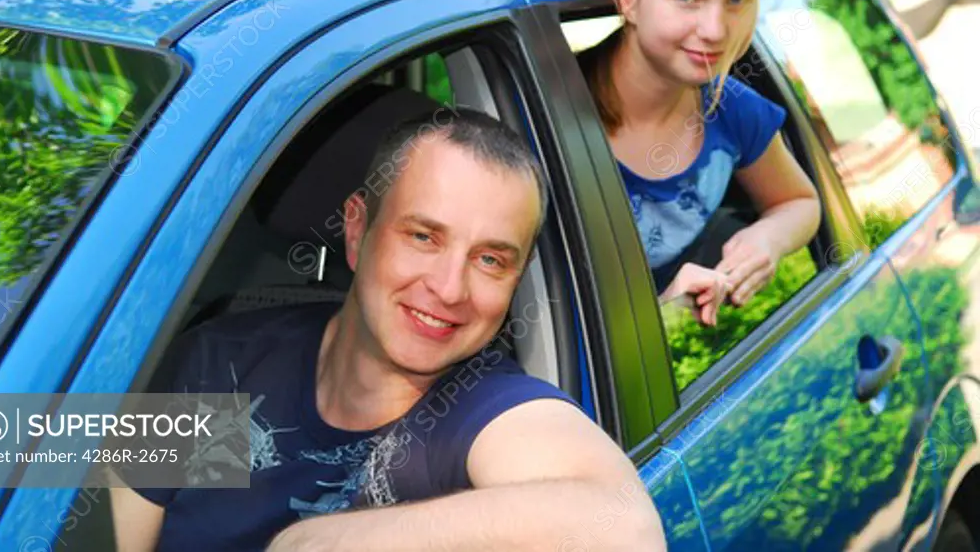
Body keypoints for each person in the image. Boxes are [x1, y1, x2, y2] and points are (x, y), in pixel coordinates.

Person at [109, 109, 667, 551]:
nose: (450, 288)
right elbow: (55, 482)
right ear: (358, 231)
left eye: (491, 260)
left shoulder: (474, 413)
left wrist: (317, 544)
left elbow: (625, 527)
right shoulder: (224, 362)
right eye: (424, 236)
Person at [578, 0, 821, 327]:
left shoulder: (734, 110)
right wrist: (662, 311)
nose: (715, 28)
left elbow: (801, 203)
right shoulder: (551, 112)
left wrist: (765, 240)